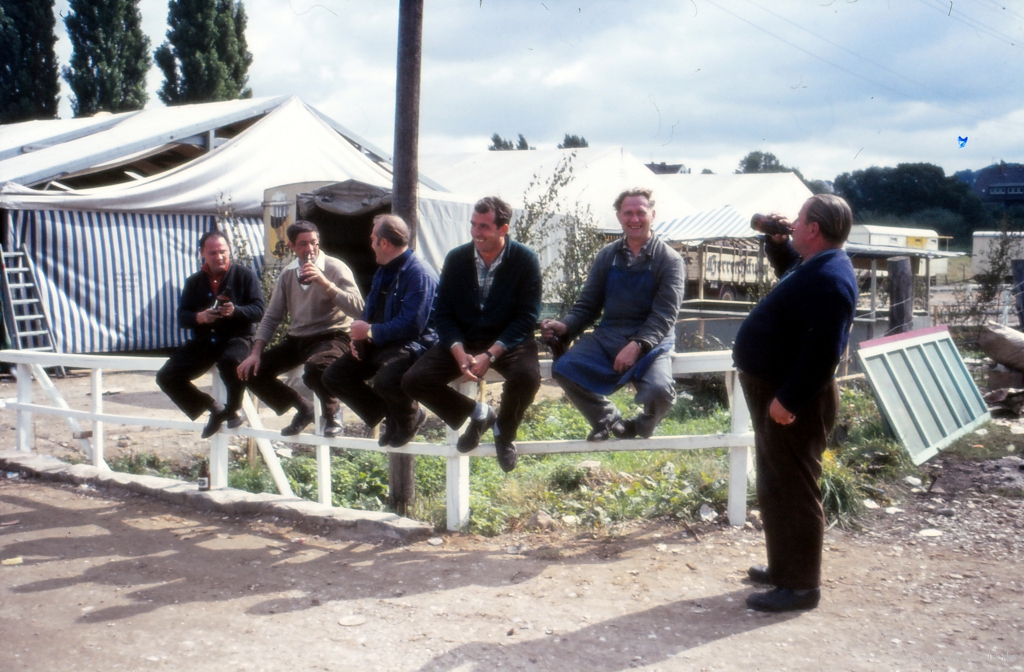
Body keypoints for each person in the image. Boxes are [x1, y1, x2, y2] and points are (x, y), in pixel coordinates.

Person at [733, 194, 858, 613]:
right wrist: (776, 242)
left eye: (799, 218)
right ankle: (784, 567)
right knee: (775, 481)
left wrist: (788, 400)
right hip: (777, 388)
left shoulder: (830, 278)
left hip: (792, 396)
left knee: (794, 487)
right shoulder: (816, 265)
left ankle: (801, 586)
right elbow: (791, 274)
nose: (793, 221)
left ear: (813, 229)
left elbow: (826, 352)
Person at [402, 196, 542, 472]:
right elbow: (442, 313)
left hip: (508, 340)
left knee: (527, 377)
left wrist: (491, 354)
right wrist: (457, 349)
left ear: (503, 229)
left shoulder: (525, 259)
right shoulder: (456, 258)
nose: (477, 232)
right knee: (413, 380)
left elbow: (528, 316)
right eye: (474, 225)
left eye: (485, 226)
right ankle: (479, 414)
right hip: (465, 338)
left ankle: (505, 432)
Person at [541, 188, 685, 441]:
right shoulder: (607, 256)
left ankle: (641, 426)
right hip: (610, 335)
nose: (634, 219)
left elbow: (664, 315)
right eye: (627, 213)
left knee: (660, 392)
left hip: (653, 340)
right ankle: (608, 419)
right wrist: (564, 326)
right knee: (564, 368)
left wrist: (638, 345)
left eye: (640, 212)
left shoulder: (669, 260)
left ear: (653, 214)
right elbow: (588, 306)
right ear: (618, 216)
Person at [237, 220, 364, 437]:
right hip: (299, 338)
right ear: (292, 246)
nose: (310, 249)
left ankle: (333, 413)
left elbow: (359, 308)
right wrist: (255, 353)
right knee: (252, 373)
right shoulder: (288, 274)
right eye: (303, 244)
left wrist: (325, 283)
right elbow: (272, 317)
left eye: (314, 243)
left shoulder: (335, 267)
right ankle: (304, 409)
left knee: (316, 368)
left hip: (332, 334)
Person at [321, 214, 438, 447]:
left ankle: (409, 417)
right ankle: (392, 415)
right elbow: (369, 310)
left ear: (384, 243)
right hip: (384, 343)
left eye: (373, 238)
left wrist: (370, 332)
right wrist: (358, 340)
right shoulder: (383, 271)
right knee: (334, 377)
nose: (371, 242)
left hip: (414, 344)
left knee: (386, 380)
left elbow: (412, 325)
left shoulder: (419, 273)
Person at [157, 230, 265, 439]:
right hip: (204, 341)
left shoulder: (245, 275)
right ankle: (213, 407)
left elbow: (259, 310)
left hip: (237, 338)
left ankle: (232, 409)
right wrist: (199, 317)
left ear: (229, 251)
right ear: (202, 253)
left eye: (223, 251)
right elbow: (182, 317)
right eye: (213, 253)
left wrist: (236, 311)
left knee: (231, 361)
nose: (219, 257)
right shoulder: (194, 281)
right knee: (166, 377)